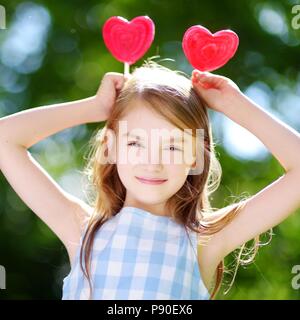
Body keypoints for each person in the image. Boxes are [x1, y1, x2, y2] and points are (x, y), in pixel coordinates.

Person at [0, 59, 299, 300]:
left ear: (195, 157)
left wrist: (235, 105)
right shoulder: (82, 231)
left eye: (172, 146)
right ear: (111, 149)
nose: (152, 162)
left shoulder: (204, 243)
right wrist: (94, 107)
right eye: (135, 143)